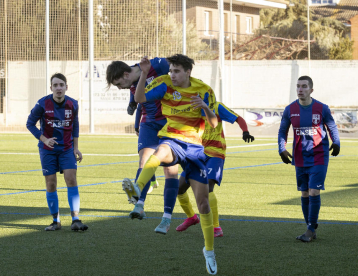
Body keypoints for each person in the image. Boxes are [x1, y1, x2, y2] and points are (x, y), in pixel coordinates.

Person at [124, 54, 219, 275]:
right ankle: (138, 188)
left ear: (187, 72)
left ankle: (209, 251)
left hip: (195, 149)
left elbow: (214, 123)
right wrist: (145, 73)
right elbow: (139, 99)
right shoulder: (164, 83)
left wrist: (204, 106)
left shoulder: (203, 89)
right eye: (171, 70)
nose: (172, 75)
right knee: (159, 152)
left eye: (176, 71)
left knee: (203, 204)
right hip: (172, 139)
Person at [106, 59, 179, 222]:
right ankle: (139, 205)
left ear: (126, 74)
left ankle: (167, 215)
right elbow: (140, 102)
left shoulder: (157, 65)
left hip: (170, 121)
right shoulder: (132, 83)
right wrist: (136, 121)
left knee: (171, 170)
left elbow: (178, 69)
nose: (120, 88)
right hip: (149, 122)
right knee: (144, 160)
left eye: (119, 84)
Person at [176, 101, 254, 238]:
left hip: (216, 153)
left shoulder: (216, 106)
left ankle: (216, 226)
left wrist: (245, 131)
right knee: (179, 188)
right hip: (197, 152)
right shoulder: (189, 108)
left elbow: (239, 118)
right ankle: (192, 217)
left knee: (208, 187)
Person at [278, 75, 340, 242]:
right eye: (298, 86)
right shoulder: (290, 109)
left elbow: (332, 126)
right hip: (299, 157)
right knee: (304, 193)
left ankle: (310, 228)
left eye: (304, 86)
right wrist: (281, 148)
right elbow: (283, 130)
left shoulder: (322, 108)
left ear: (311, 90)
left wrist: (337, 142)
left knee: (314, 190)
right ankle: (310, 227)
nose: (300, 89)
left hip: (319, 155)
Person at [26, 73, 88, 232]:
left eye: (61, 85)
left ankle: (75, 219)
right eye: (55, 85)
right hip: (48, 150)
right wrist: (44, 139)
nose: (59, 88)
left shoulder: (73, 104)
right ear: (51, 88)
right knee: (51, 183)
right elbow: (30, 124)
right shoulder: (42, 104)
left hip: (67, 148)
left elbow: (75, 125)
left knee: (71, 179)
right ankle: (56, 221)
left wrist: (76, 147)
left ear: (66, 87)